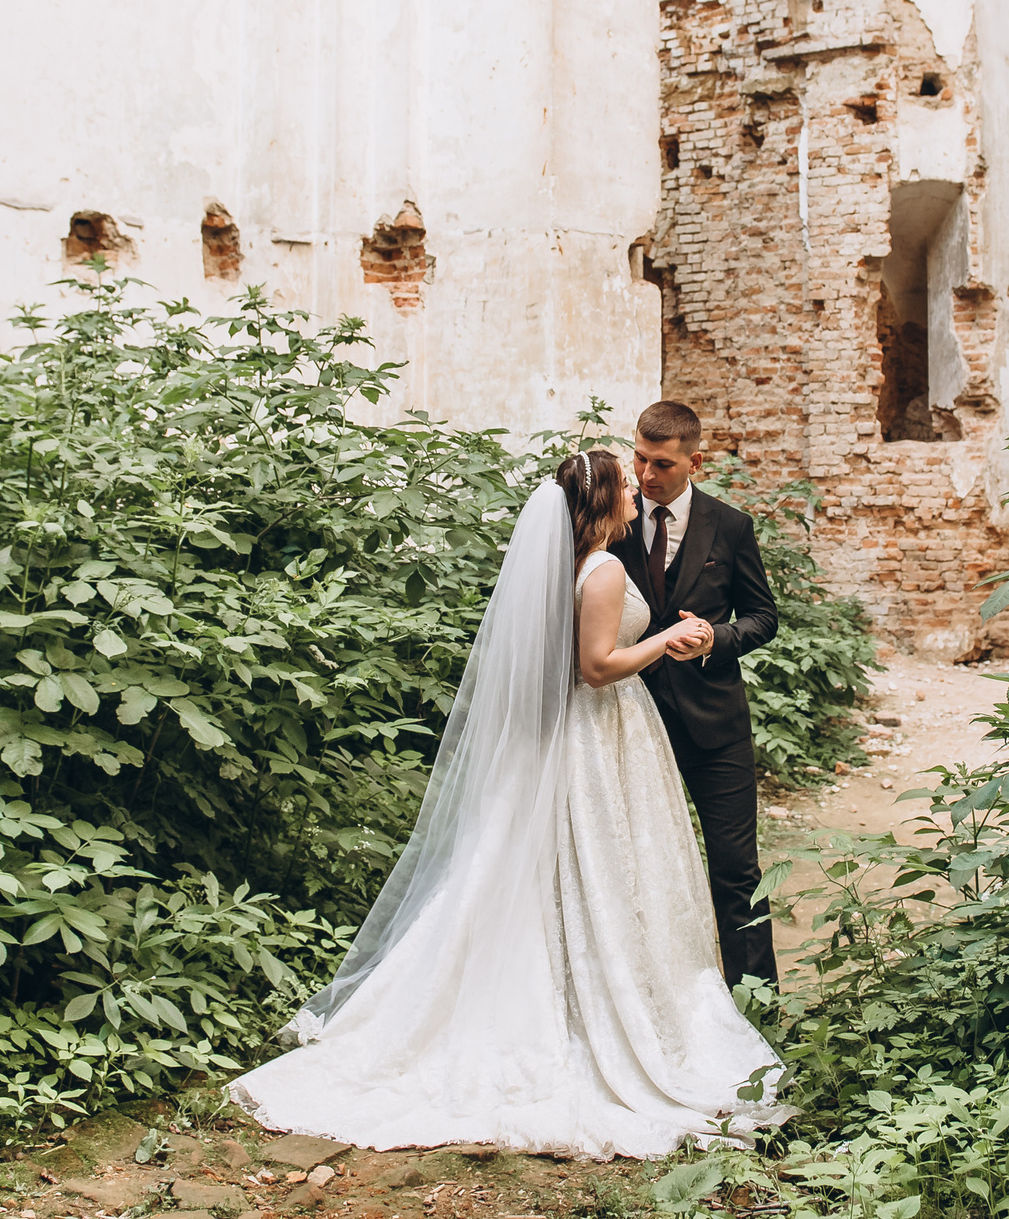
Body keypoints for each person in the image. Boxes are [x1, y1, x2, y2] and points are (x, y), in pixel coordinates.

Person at [225, 451, 785, 1157]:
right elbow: (596, 667)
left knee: (542, 871)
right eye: (626, 482)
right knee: (600, 867)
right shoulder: (606, 568)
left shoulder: (569, 564)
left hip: (567, 736)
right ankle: (599, 1008)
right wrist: (664, 639)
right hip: (597, 730)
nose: (638, 493)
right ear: (606, 499)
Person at [608, 400, 780, 986]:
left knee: (736, 871)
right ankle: (651, 997)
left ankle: (758, 1002)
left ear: (695, 462)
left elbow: (762, 616)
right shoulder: (611, 521)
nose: (645, 475)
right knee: (634, 868)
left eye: (660, 464)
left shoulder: (730, 526)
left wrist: (715, 636)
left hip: (714, 723)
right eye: (638, 458)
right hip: (626, 719)